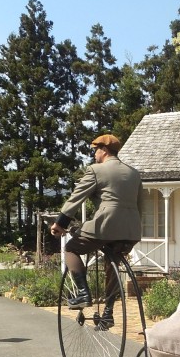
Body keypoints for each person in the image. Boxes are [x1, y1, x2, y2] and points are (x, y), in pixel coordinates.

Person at [49, 134, 143, 320]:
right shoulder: (134, 173)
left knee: (71, 248)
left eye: (95, 150)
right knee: (113, 261)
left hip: (105, 225)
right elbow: (140, 205)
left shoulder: (96, 170)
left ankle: (83, 293)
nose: (94, 155)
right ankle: (108, 312)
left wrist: (60, 224)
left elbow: (76, 198)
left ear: (104, 150)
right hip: (131, 230)